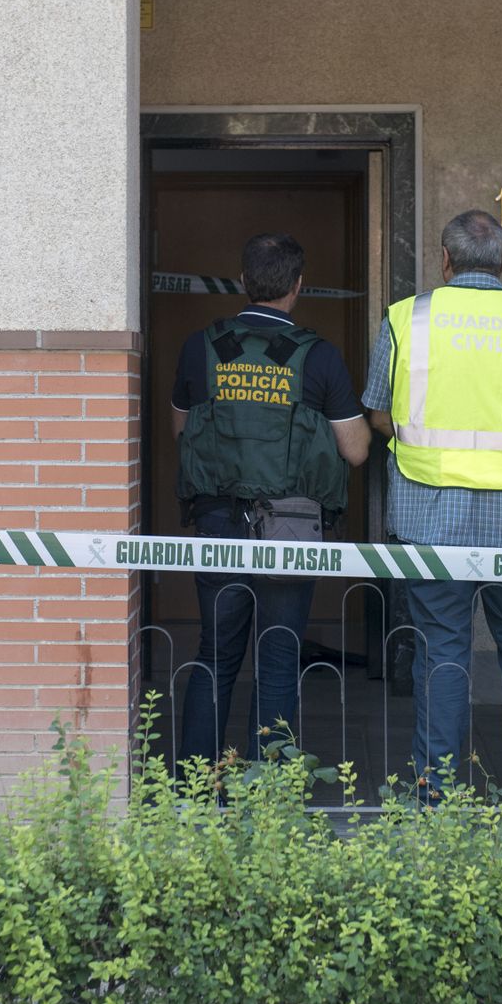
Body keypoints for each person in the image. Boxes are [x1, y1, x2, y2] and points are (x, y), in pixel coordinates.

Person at [364, 210, 502, 798]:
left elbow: (379, 413)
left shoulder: (409, 318)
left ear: (446, 259)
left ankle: (437, 793)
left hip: (431, 513)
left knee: (442, 650)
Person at [172, 233, 370, 764]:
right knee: (279, 656)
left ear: (242, 281)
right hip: (290, 525)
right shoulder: (319, 357)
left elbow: (181, 430)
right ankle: (271, 794)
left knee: (214, 655)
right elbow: (355, 452)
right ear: (299, 286)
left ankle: (195, 792)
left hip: (218, 521)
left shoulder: (201, 346)